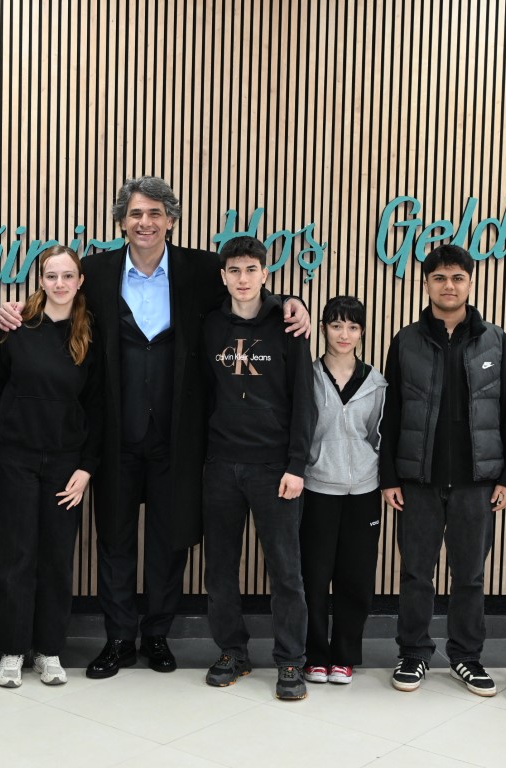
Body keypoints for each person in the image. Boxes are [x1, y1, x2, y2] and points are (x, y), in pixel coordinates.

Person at [0, 177, 309, 679]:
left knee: (169, 540)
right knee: (114, 539)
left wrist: (290, 302)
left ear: (171, 221)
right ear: (121, 221)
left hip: (178, 436)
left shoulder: (200, 269)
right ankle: (120, 638)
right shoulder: (97, 271)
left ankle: (158, 634)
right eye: (136, 213)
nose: (145, 222)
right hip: (114, 435)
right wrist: (15, 309)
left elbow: (247, 287)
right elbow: (54, 303)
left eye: (155, 213)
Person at [379, 243, 506, 697]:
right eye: (439, 277)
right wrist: (389, 477)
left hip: (476, 482)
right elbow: (392, 412)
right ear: (427, 284)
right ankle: (413, 653)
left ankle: (467, 657)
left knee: (470, 576)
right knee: (416, 574)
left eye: (457, 277)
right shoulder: (406, 340)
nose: (449, 285)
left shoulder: (495, 341)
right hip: (417, 480)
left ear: (470, 283)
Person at [199, 237, 315, 700]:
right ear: (222, 276)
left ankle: (290, 661)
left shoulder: (288, 323)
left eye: (251, 269)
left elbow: (304, 399)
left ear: (265, 273)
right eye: (234, 270)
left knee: (286, 569)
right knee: (220, 568)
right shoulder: (210, 324)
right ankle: (232, 652)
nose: (242, 279)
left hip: (274, 468)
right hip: (221, 464)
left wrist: (297, 464)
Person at [0, 245, 103, 688]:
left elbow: (98, 407)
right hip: (14, 458)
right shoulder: (17, 325)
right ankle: (12, 650)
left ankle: (49, 650)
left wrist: (86, 468)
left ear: (80, 281)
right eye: (51, 275)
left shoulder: (89, 333)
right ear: (40, 280)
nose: (59, 283)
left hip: (65, 464)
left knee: (56, 558)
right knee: (14, 556)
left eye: (67, 276)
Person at [300, 296, 388, 686]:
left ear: (362, 332)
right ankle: (316, 655)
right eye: (336, 325)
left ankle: (345, 656)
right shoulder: (308, 376)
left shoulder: (376, 382)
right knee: (314, 576)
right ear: (323, 328)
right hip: (317, 487)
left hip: (364, 491)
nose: (344, 334)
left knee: (356, 578)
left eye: (352, 326)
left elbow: (379, 435)